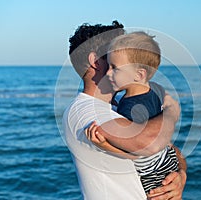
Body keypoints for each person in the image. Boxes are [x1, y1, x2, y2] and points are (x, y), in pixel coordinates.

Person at [63, 21, 187, 200]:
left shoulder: (116, 108)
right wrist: (171, 113)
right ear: (96, 61)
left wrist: (180, 176)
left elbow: (169, 149)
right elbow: (151, 143)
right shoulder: (86, 111)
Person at [85, 31, 179, 195]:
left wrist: (105, 146)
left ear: (139, 74)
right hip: (168, 157)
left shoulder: (131, 108)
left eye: (115, 68)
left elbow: (138, 152)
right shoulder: (155, 89)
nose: (108, 73)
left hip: (153, 173)